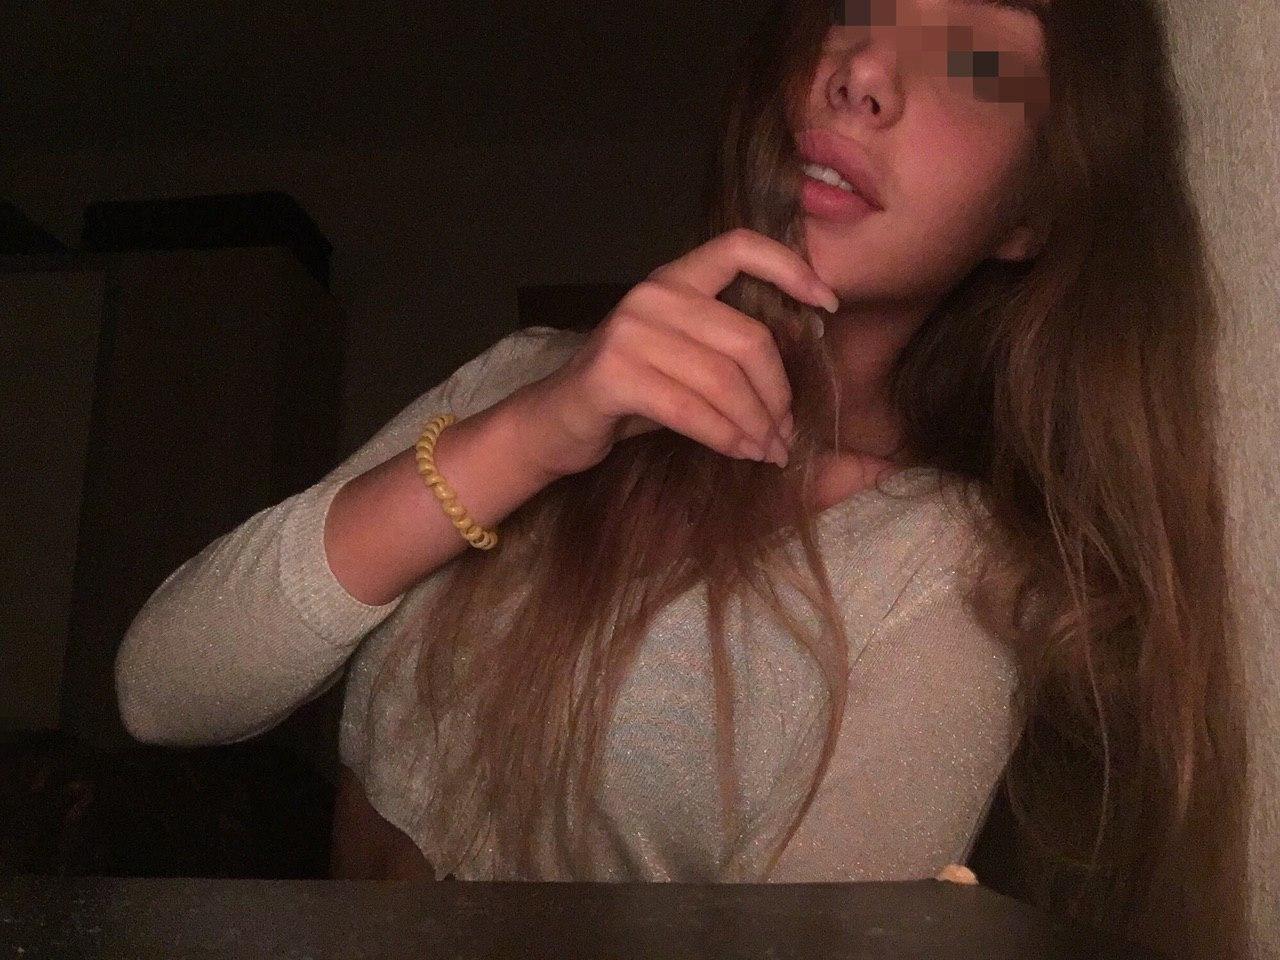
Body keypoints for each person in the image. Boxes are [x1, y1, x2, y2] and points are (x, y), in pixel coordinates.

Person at [114, 1, 1248, 959]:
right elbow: (163, 691)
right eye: (857, 11)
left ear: (1031, 216)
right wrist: (534, 434)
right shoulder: (528, 378)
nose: (860, 72)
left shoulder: (952, 572)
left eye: (975, 59)